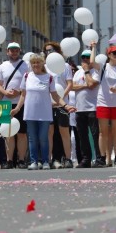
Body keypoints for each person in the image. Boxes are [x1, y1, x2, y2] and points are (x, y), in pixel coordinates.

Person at [12, 54, 75, 170]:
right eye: (33, 63)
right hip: (30, 113)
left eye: (38, 62)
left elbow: (55, 96)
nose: (35, 65)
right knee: (32, 138)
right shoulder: (27, 76)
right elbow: (23, 95)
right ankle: (34, 161)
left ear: (42, 64)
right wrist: (17, 108)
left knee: (43, 137)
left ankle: (46, 161)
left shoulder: (48, 77)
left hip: (44, 113)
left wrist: (66, 106)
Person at [93, 45, 116, 167]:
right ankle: (102, 158)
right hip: (103, 102)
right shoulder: (103, 67)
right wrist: (93, 47)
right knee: (103, 132)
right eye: (114, 53)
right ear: (109, 55)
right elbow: (92, 62)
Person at [0, 42, 29, 169]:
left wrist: (18, 92)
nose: (14, 52)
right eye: (11, 50)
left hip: (21, 102)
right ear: (7, 51)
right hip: (6, 103)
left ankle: (21, 160)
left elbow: (29, 83)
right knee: (8, 132)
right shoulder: (3, 66)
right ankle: (9, 160)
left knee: (22, 133)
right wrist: (5, 92)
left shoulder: (26, 65)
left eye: (16, 50)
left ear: (19, 51)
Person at [44, 41, 73, 169]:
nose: (49, 53)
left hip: (62, 104)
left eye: (51, 50)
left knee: (64, 132)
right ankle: (49, 159)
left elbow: (70, 84)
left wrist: (60, 99)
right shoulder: (44, 67)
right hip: (48, 105)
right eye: (46, 51)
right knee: (49, 132)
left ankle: (68, 158)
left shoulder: (65, 66)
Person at [73, 49, 101, 168]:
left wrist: (86, 71)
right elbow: (72, 86)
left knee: (95, 135)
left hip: (92, 108)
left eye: (88, 57)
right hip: (80, 108)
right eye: (83, 57)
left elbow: (92, 84)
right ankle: (86, 159)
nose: (85, 59)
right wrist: (84, 85)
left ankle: (99, 158)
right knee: (82, 135)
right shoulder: (77, 72)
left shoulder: (95, 71)